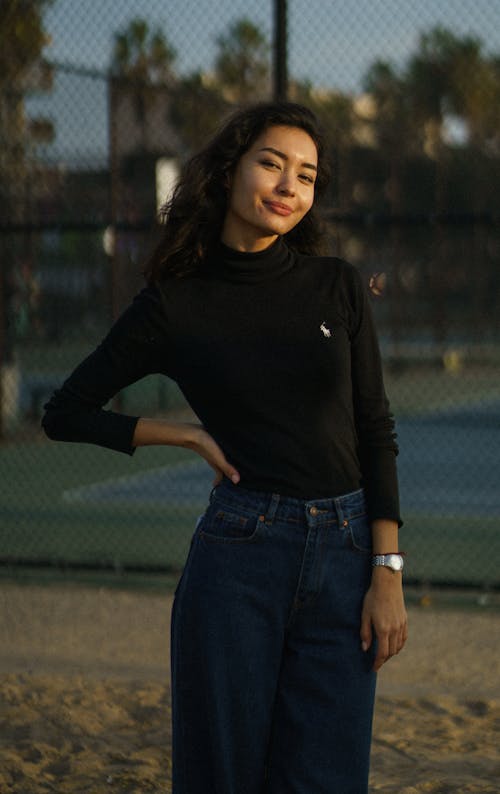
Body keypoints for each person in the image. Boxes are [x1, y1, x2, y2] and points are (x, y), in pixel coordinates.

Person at [42, 101, 408, 794]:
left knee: (327, 779)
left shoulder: (337, 286)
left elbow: (374, 428)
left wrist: (387, 570)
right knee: (222, 776)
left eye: (306, 175)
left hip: (348, 555)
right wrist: (185, 435)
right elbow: (66, 410)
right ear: (229, 171)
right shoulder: (175, 304)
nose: (288, 185)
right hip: (241, 558)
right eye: (271, 163)